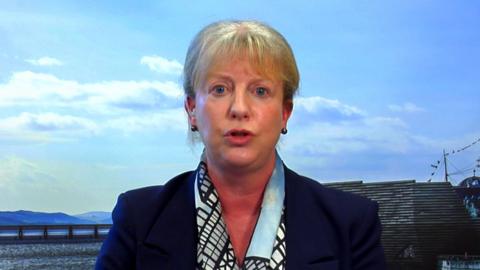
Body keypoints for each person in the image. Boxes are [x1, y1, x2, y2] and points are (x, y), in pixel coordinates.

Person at [96, 20, 386, 270]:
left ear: (285, 112)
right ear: (192, 109)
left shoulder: (351, 223)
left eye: (260, 91)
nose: (239, 109)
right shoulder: (138, 217)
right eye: (220, 89)